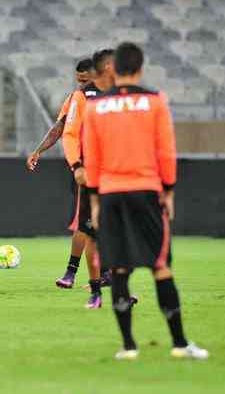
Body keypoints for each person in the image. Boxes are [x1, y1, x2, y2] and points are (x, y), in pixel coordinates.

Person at [84, 42, 208, 360]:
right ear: (139, 68)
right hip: (146, 191)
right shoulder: (155, 102)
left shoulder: (96, 108)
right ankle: (180, 344)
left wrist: (95, 200)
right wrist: (168, 190)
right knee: (161, 266)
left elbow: (93, 158)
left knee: (120, 268)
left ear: (113, 70)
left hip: (110, 193)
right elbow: (166, 151)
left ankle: (128, 347)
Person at [26, 58, 94, 289]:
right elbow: (61, 128)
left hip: (112, 169)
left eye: (86, 80)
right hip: (83, 169)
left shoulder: (114, 98)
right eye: (79, 80)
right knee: (85, 222)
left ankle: (108, 277)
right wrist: (38, 150)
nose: (82, 84)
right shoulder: (78, 98)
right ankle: (72, 272)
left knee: (106, 223)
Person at [61, 49, 115, 308]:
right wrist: (77, 165)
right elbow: (67, 132)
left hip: (122, 174)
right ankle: (95, 291)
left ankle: (117, 285)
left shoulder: (127, 95)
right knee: (88, 229)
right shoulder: (81, 96)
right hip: (91, 173)